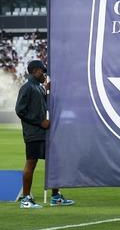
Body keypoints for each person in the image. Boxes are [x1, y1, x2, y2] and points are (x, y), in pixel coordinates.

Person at [15, 60, 75, 209]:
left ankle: (56, 196)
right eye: (43, 71)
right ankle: (26, 198)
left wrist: (48, 91)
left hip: (45, 133)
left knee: (55, 162)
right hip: (34, 133)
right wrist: (39, 122)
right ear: (35, 71)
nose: (45, 74)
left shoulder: (39, 88)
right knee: (31, 163)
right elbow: (19, 110)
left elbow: (46, 105)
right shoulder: (27, 87)